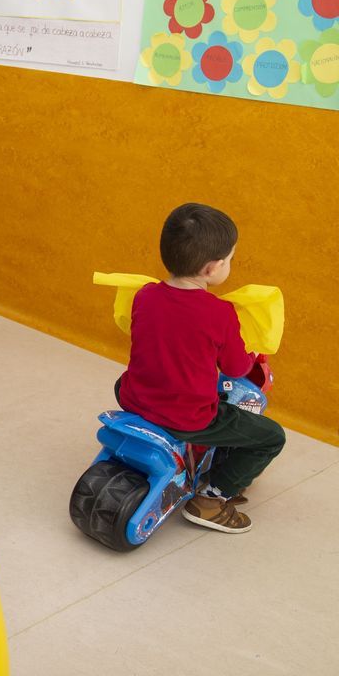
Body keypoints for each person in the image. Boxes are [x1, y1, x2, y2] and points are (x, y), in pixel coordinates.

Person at [116, 203, 286, 533]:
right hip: (186, 416)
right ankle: (212, 498)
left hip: (135, 398)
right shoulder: (220, 313)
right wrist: (250, 352)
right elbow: (236, 369)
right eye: (230, 259)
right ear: (212, 269)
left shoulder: (145, 295)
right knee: (270, 437)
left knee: (125, 381)